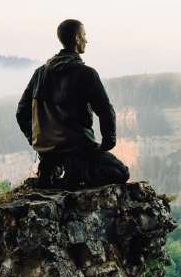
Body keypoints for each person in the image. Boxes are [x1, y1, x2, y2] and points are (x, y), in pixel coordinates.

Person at [16, 19, 129, 189]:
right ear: (77, 39)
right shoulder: (86, 74)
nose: (86, 40)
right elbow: (105, 111)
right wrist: (107, 143)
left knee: (56, 159)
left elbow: (21, 111)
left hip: (48, 150)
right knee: (121, 172)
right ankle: (76, 170)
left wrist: (35, 140)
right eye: (84, 35)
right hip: (78, 146)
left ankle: (51, 166)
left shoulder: (40, 73)